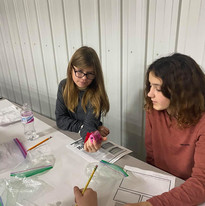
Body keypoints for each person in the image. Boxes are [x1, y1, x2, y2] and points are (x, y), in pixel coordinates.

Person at [74, 53, 205, 205]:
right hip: (159, 184)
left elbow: (201, 183)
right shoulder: (154, 110)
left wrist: (149, 204)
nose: (150, 94)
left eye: (158, 88)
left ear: (182, 91)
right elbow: (151, 155)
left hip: (185, 190)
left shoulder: (201, 123)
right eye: (150, 86)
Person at [55, 46, 110, 153]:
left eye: (90, 73)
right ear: (71, 68)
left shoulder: (96, 93)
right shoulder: (63, 86)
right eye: (79, 71)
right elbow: (60, 120)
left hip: (85, 136)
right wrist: (83, 126)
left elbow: (89, 125)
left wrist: (89, 133)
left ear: (96, 74)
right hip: (68, 136)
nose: (84, 78)